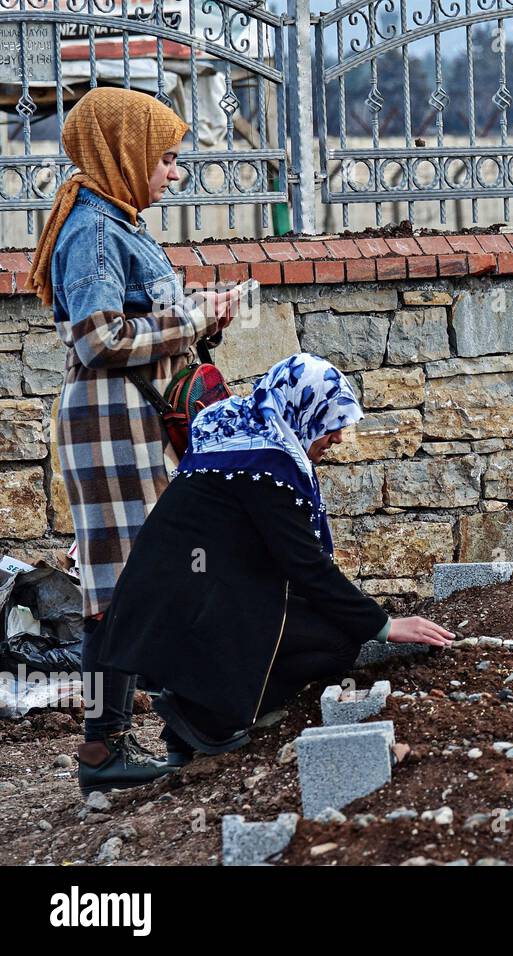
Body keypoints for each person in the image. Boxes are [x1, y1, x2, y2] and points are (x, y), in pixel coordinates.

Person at [90, 354, 454, 789]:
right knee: (337, 641)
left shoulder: (239, 437)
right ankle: (207, 719)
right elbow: (305, 566)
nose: (338, 436)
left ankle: (187, 725)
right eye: (330, 422)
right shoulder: (266, 467)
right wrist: (383, 624)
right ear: (302, 410)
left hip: (178, 602)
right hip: (188, 608)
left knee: (303, 616)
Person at [28, 87, 244, 793]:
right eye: (166, 159)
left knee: (138, 582)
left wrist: (201, 320)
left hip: (129, 419)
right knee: (127, 587)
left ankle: (147, 737)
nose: (175, 175)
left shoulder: (116, 221)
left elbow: (133, 328)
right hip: (111, 425)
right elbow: (97, 340)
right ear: (125, 152)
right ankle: (134, 742)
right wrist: (189, 323)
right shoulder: (94, 231)